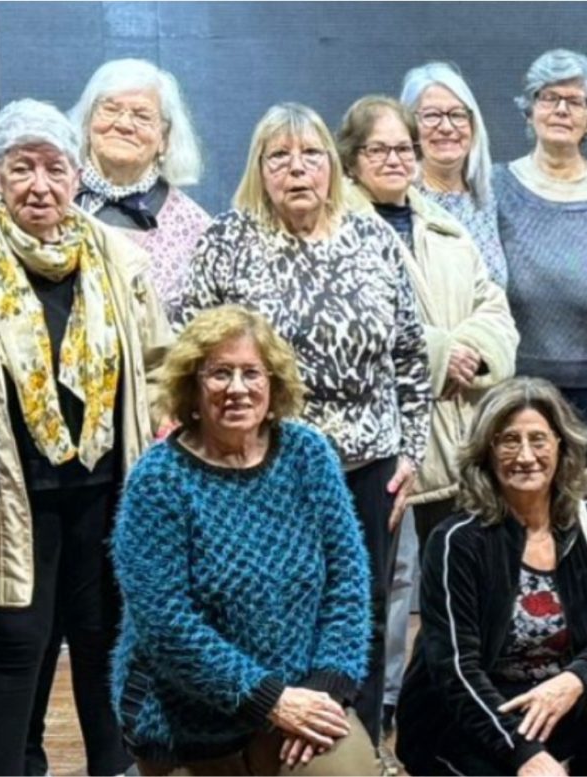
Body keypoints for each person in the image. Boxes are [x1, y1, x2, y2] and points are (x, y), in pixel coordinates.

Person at [0, 99, 170, 777]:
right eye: (22, 167)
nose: (39, 185)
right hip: (4, 485)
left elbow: (157, 363)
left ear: (76, 175)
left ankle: (113, 767)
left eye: (54, 168)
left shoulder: (116, 256)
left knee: (103, 633)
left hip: (105, 482)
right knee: (17, 638)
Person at [174, 102, 431, 739]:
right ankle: (275, 733)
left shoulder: (372, 237)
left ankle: (355, 744)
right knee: (273, 600)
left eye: (311, 155)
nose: (297, 169)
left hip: (369, 461)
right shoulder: (228, 240)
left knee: (364, 603)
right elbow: (190, 349)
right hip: (264, 463)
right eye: (279, 157)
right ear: (259, 168)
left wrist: (411, 450)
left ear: (332, 166)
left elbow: (409, 351)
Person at [109, 305, 378, 776]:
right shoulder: (159, 481)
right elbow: (166, 625)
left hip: (301, 693)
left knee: (345, 768)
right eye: (219, 374)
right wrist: (269, 699)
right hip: (189, 718)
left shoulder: (307, 455)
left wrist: (324, 687)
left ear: (272, 384)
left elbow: (347, 584)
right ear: (192, 388)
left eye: (251, 373)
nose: (237, 388)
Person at [336, 93, 521, 729]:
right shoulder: (336, 228)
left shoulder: (445, 227)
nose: (395, 160)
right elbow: (350, 328)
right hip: (377, 440)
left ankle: (434, 704)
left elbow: (494, 309)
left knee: (453, 584)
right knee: (381, 585)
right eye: (378, 149)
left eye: (403, 149)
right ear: (351, 158)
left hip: (454, 434)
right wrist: (441, 353)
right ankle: (370, 714)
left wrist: (473, 351)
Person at [396, 377, 587, 776]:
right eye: (509, 440)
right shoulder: (457, 540)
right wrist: (525, 754)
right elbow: (455, 669)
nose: (525, 456)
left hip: (557, 697)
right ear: (487, 452)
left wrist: (575, 679)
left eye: (538, 439)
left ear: (561, 445)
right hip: (476, 713)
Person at [493, 49, 587, 490]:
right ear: (530, 109)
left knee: (582, 506)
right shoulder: (495, 186)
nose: (560, 109)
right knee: (515, 504)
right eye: (548, 97)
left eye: (575, 101)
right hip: (513, 383)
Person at [67, 58, 213, 323]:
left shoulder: (197, 230)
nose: (124, 124)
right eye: (110, 109)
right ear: (88, 123)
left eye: (142, 116)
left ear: (164, 139)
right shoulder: (53, 202)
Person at [402, 61, 510, 286]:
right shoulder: (401, 202)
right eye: (431, 115)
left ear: (473, 124)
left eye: (457, 115)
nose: (446, 127)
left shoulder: (487, 200)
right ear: (408, 126)